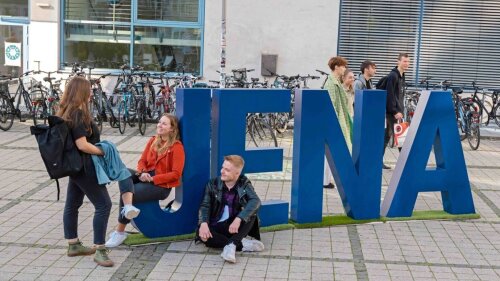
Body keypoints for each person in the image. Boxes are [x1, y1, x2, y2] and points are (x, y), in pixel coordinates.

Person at [57, 76, 114, 267]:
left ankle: (73, 245)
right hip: (85, 166)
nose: (91, 93)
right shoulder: (78, 115)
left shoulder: (66, 111)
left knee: (72, 204)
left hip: (75, 168)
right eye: (89, 90)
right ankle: (100, 250)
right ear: (82, 92)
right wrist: (102, 151)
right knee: (104, 204)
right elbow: (82, 145)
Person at [105, 113, 185, 247]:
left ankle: (120, 232)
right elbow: (142, 160)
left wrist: (152, 179)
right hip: (145, 176)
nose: (159, 125)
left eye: (164, 124)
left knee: (129, 192)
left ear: (172, 129)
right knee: (123, 173)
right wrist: (142, 172)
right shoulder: (153, 140)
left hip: (161, 186)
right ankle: (129, 208)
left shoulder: (177, 147)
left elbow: (176, 174)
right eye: (159, 122)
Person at [197, 155, 264, 263]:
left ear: (237, 173)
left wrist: (239, 218)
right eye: (223, 167)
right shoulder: (212, 184)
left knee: (251, 214)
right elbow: (205, 205)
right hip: (217, 225)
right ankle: (239, 244)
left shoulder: (244, 183)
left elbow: (255, 201)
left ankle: (231, 246)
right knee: (204, 237)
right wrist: (203, 223)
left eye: (227, 170)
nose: (222, 171)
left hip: (234, 226)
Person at [323, 56, 352, 189]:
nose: (344, 68)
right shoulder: (331, 83)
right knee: (331, 152)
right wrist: (334, 126)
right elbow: (332, 105)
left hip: (339, 121)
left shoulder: (335, 81)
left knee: (331, 152)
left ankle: (327, 180)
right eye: (343, 66)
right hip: (336, 123)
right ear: (336, 67)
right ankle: (326, 180)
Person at [383, 53, 410, 169]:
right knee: (401, 136)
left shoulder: (401, 75)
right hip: (393, 112)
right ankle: (405, 163)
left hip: (397, 111)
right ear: (398, 62)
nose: (406, 64)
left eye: (408, 61)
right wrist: (394, 111)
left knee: (388, 136)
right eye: (404, 61)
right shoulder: (393, 76)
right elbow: (390, 95)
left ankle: (379, 160)